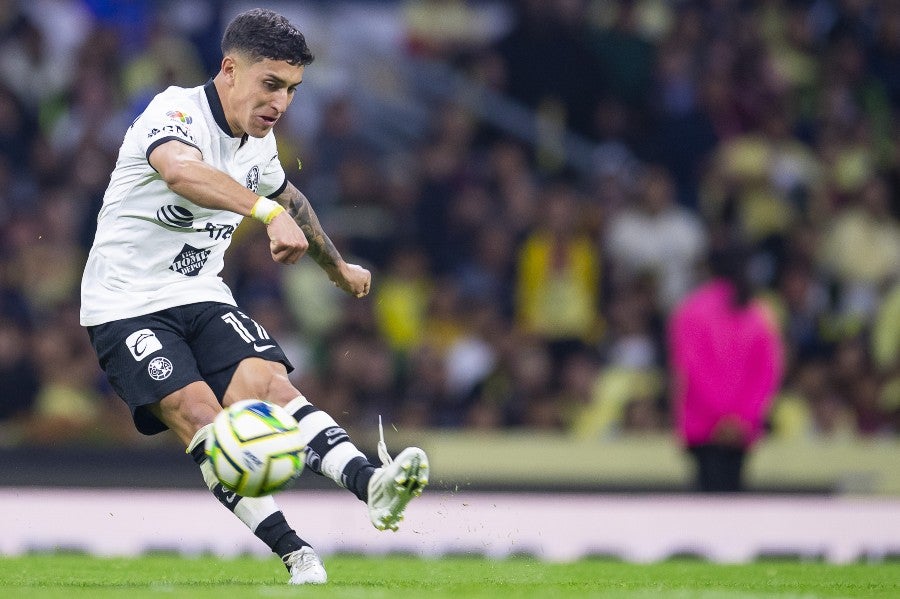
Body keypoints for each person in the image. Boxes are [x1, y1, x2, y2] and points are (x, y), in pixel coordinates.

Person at [79, 9, 429, 585]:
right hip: (125, 303)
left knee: (270, 383)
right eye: (271, 85)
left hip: (199, 292)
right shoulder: (175, 111)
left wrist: (336, 267)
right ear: (229, 70)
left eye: (292, 90)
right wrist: (262, 212)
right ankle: (298, 554)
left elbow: (290, 200)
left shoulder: (257, 144)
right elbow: (182, 173)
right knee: (200, 416)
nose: (280, 104)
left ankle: (373, 486)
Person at [667, 243, 784, 492]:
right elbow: (767, 374)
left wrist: (718, 418)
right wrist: (742, 417)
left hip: (703, 427)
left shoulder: (691, 311)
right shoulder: (760, 314)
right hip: (742, 429)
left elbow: (691, 371)